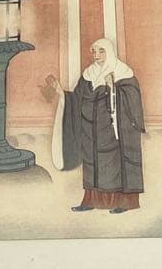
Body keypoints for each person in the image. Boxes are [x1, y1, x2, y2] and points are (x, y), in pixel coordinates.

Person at [48, 37, 145, 214]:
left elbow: (132, 99)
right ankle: (90, 201)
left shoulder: (122, 73)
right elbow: (77, 98)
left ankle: (124, 202)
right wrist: (62, 93)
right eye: (94, 51)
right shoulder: (89, 74)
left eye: (101, 51)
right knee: (92, 165)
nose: (96, 55)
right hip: (90, 131)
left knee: (114, 166)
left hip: (112, 130)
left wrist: (112, 88)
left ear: (109, 52)